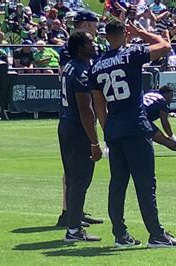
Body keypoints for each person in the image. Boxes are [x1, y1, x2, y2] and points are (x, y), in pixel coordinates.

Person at [90, 20, 176, 248]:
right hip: (135, 124)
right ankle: (156, 234)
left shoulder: (96, 65)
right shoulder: (131, 53)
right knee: (145, 183)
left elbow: (98, 105)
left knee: (118, 184)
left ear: (105, 37)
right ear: (125, 33)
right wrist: (142, 32)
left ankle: (120, 234)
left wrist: (109, 130)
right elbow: (164, 46)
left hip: (114, 128)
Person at [56, 9, 105, 229]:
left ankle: (74, 215)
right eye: (90, 42)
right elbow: (85, 107)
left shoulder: (71, 64)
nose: (94, 44)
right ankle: (72, 220)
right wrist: (95, 141)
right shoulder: (78, 67)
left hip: (67, 121)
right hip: (77, 124)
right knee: (78, 176)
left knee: (74, 174)